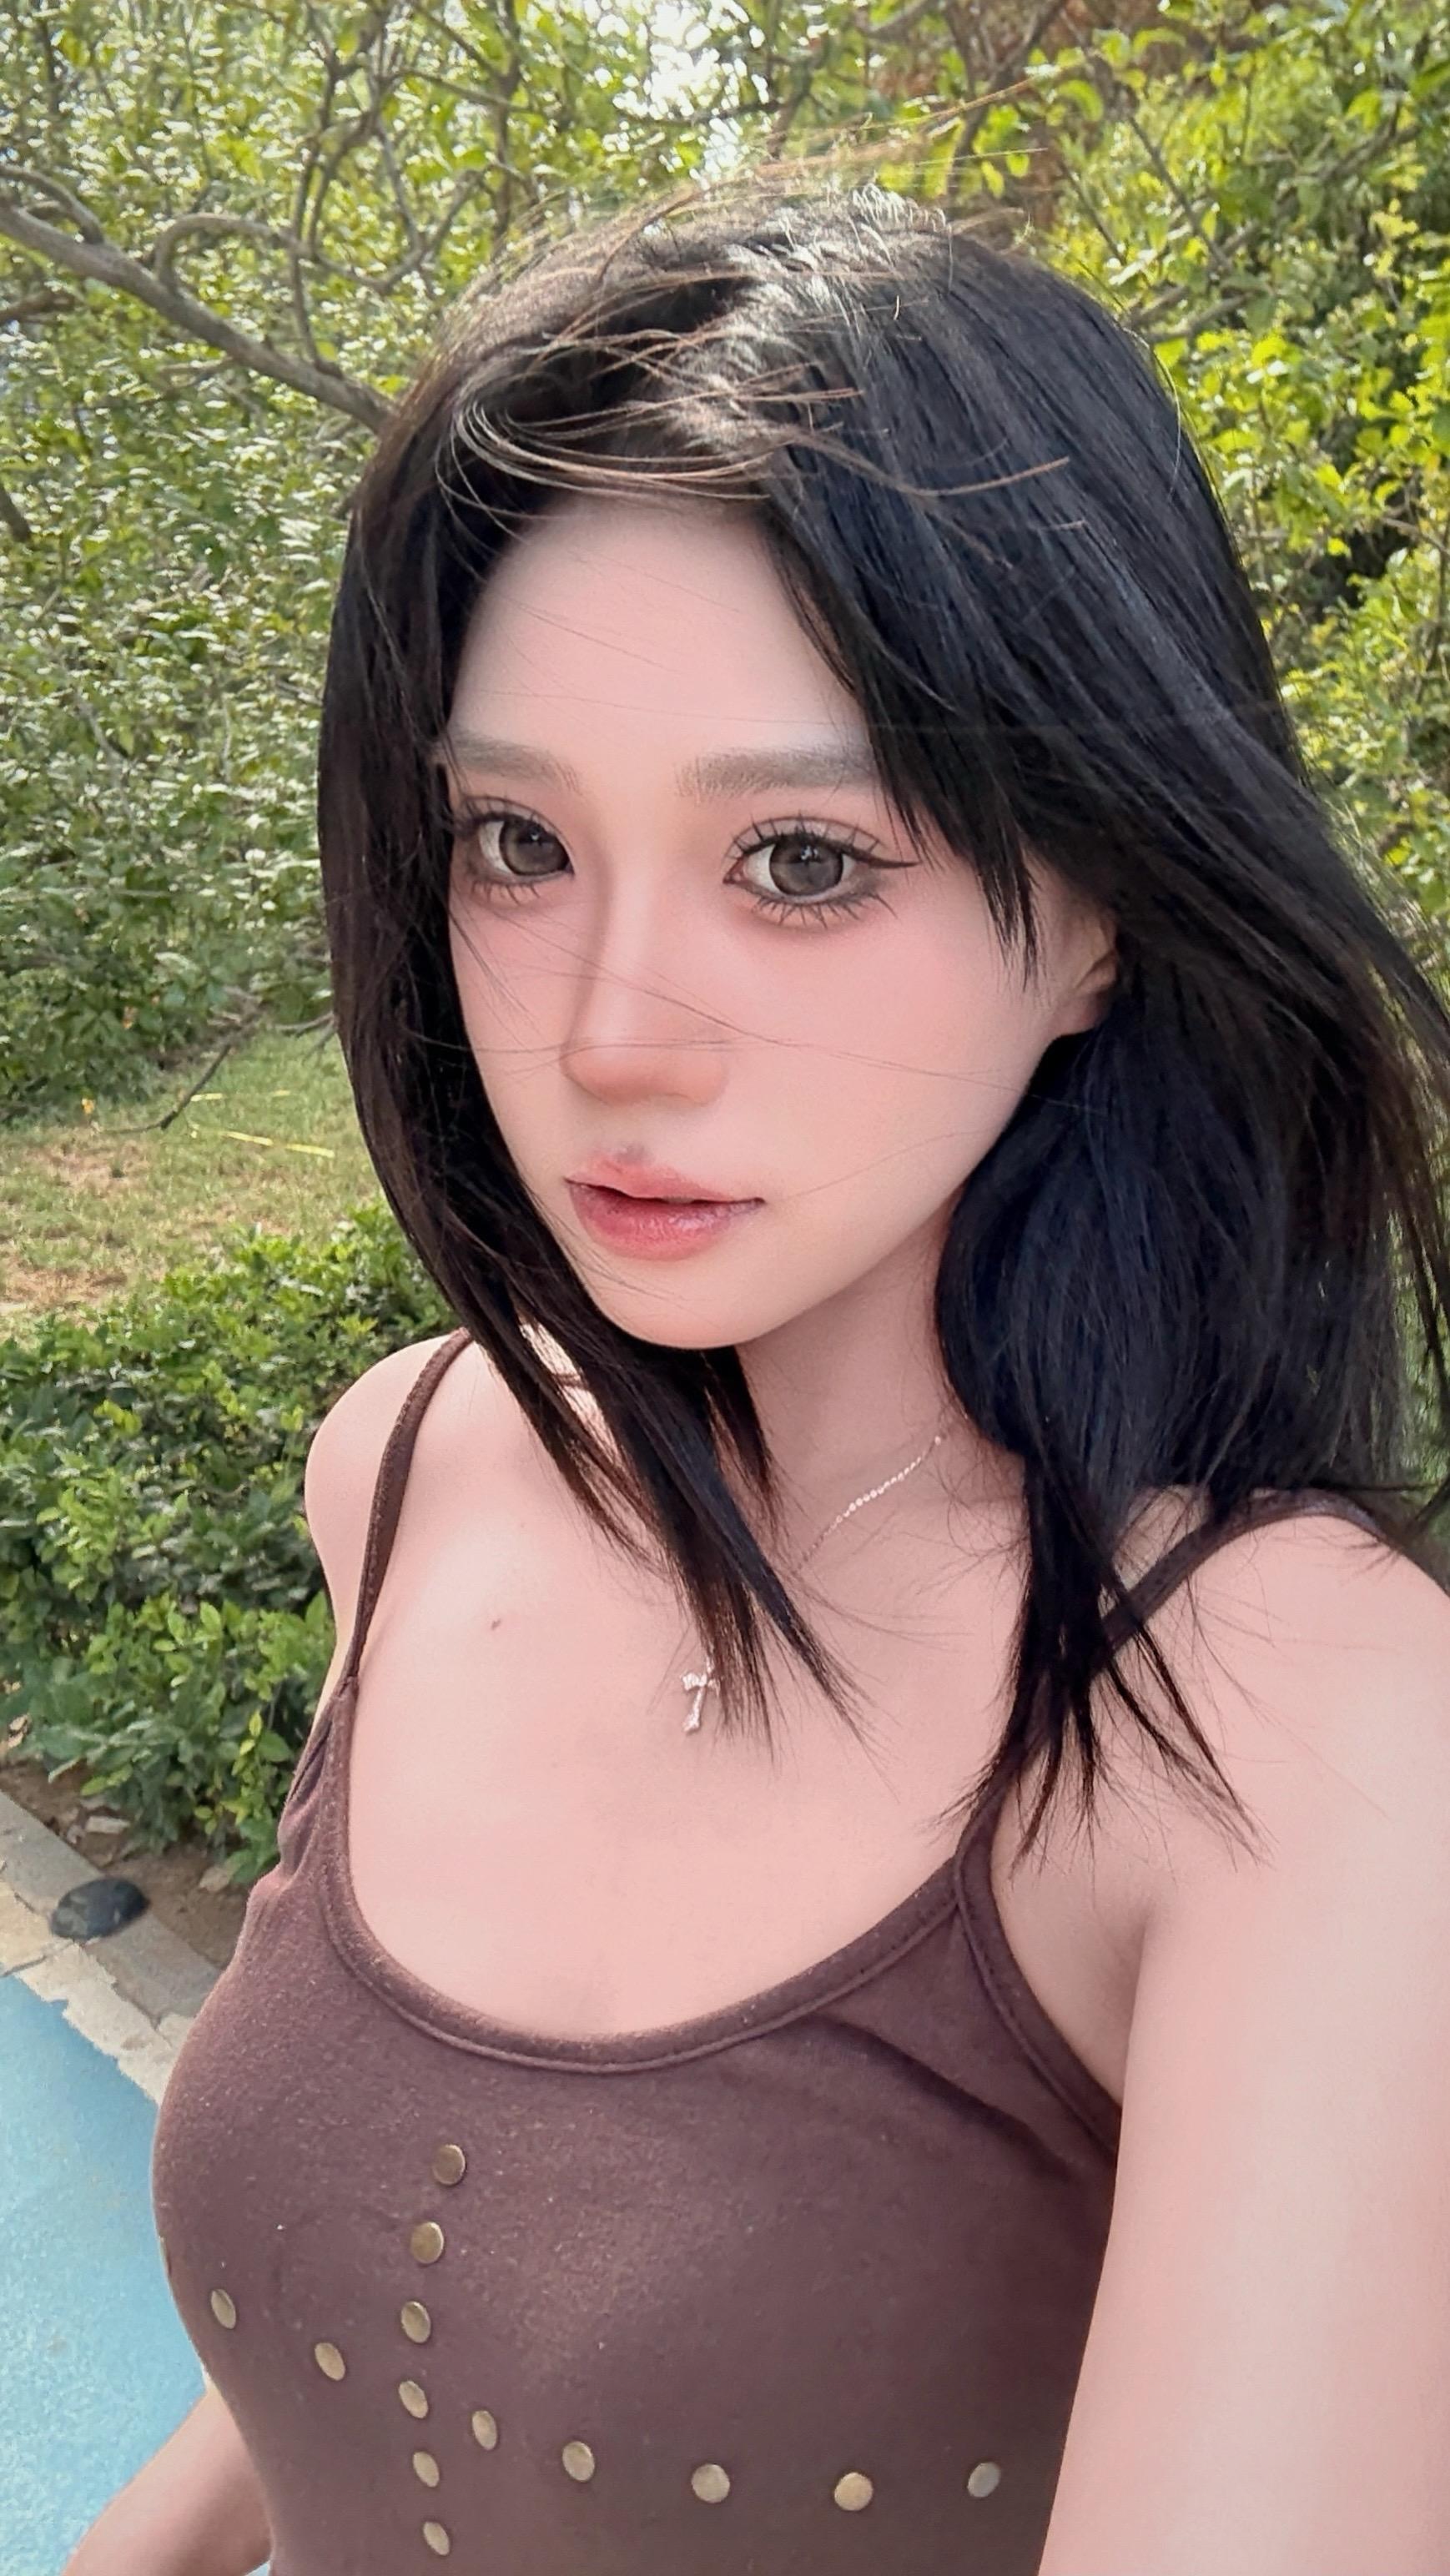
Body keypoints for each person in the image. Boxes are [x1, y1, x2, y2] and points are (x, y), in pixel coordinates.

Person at [68, 176, 1450, 2576]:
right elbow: (358, 2359)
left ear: (1105, 911)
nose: (609, 1035)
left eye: (801, 860)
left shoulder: (1293, 1729)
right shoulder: (417, 1463)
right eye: (516, 840)